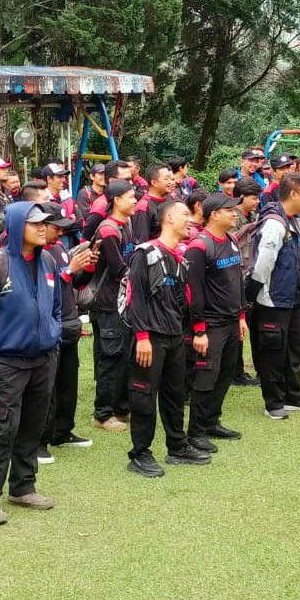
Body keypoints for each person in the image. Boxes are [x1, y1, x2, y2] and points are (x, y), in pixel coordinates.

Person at [0, 203, 63, 525]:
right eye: (36, 224)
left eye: (45, 223)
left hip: (43, 360)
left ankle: (23, 487)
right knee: (4, 429)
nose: (43, 228)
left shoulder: (48, 261)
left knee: (33, 427)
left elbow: (57, 307)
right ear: (18, 226)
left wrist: (54, 338)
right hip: (7, 363)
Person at [123, 200, 211, 477]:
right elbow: (135, 296)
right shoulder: (145, 253)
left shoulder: (179, 256)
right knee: (143, 396)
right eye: (185, 214)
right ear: (169, 219)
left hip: (175, 338)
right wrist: (142, 336)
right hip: (150, 339)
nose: (191, 220)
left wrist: (193, 331)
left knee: (174, 395)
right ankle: (140, 453)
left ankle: (177, 447)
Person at [248, 173, 300, 419]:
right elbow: (262, 265)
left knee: (293, 349)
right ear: (293, 194)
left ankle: (293, 396)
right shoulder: (275, 224)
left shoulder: (293, 220)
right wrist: (253, 295)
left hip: (292, 298)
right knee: (273, 354)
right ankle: (274, 403)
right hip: (273, 301)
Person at [183, 193, 247, 449]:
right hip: (211, 325)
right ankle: (196, 432)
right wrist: (199, 330)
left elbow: (237, 280)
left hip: (232, 321)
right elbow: (193, 291)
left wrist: (241, 316)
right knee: (205, 377)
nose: (234, 213)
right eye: (229, 210)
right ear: (214, 215)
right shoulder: (199, 246)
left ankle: (211, 422)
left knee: (225, 374)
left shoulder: (231, 239)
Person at [36, 203, 97, 459]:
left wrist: (86, 267)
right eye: (56, 228)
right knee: (45, 388)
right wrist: (70, 269)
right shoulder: (34, 254)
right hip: (49, 327)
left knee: (67, 383)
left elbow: (74, 283)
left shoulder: (58, 248)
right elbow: (43, 289)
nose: (61, 233)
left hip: (69, 322)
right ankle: (39, 441)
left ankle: (62, 431)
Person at [87, 179, 139, 431]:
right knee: (110, 358)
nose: (135, 201)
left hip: (123, 302)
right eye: (131, 197)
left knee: (124, 357)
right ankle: (102, 414)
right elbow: (119, 269)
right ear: (117, 200)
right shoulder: (107, 230)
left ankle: (121, 408)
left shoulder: (125, 224)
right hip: (109, 304)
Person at [128, 164, 175, 243]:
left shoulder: (170, 198)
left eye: (172, 179)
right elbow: (141, 241)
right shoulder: (144, 207)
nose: (172, 182)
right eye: (166, 179)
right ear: (154, 183)